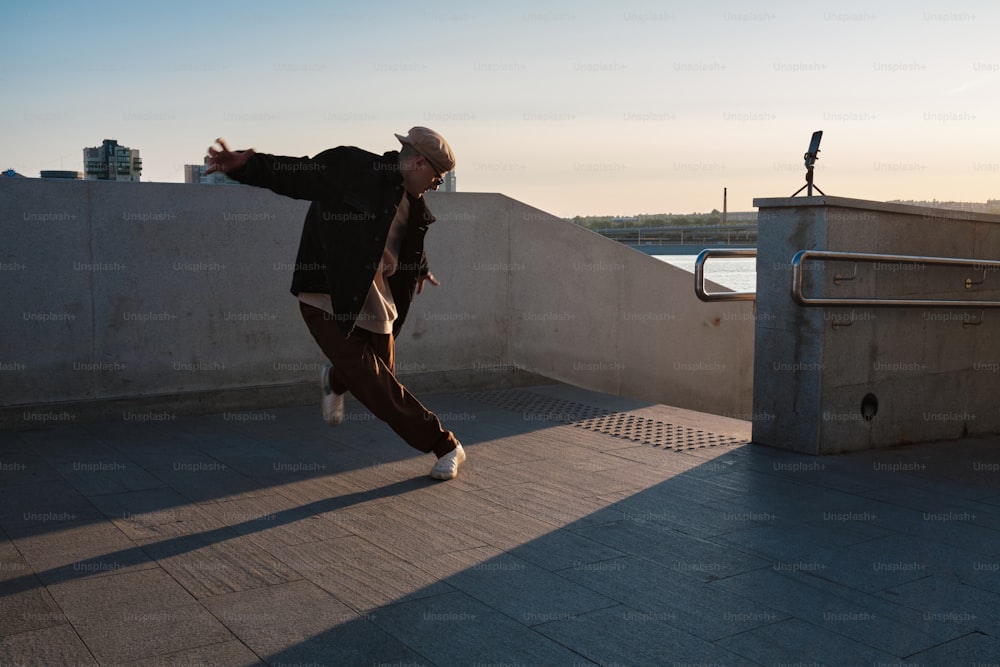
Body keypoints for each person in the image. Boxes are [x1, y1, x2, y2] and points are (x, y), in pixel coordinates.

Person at [205, 127, 465, 480]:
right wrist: (244, 166)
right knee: (378, 387)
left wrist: (421, 269)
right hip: (327, 295)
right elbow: (295, 174)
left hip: (375, 300)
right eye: (436, 176)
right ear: (418, 161)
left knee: (378, 376)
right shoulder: (352, 167)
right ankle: (446, 444)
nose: (437, 184)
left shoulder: (416, 206)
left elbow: (406, 241)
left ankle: (335, 379)